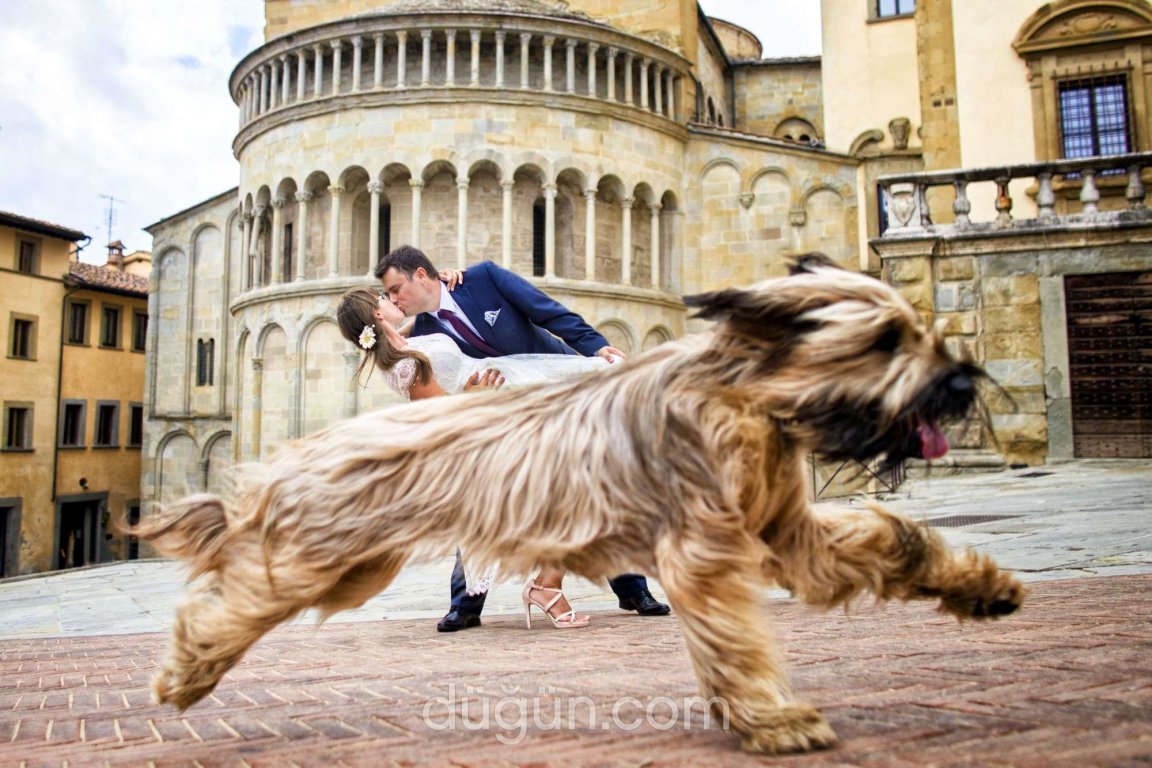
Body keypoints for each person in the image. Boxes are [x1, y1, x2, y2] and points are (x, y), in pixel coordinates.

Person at [375, 245, 672, 631]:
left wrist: (596, 348)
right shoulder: (425, 334)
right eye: (389, 295)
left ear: (420, 274)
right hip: (504, 420)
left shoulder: (482, 278)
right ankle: (465, 604)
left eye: (397, 287)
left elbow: (547, 311)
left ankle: (632, 588)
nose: (395, 297)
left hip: (554, 385)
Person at [337, 286, 595, 631]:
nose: (393, 299)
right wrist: (474, 395)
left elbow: (433, 307)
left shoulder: (404, 342)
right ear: (378, 315)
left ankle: (547, 585)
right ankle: (546, 585)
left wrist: (442, 281)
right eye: (385, 298)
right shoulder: (403, 364)